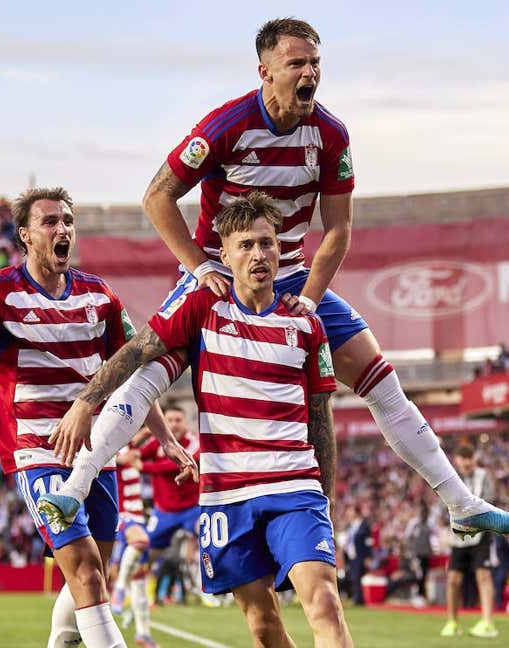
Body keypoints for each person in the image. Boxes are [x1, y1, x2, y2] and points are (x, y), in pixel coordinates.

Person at [42, 16, 509, 541]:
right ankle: (75, 488)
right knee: (149, 371)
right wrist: (200, 266)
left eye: (315, 63)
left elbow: (339, 229)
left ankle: (460, 502)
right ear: (265, 71)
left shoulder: (332, 134)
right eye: (296, 63)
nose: (309, 73)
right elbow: (157, 196)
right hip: (218, 275)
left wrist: (313, 299)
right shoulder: (226, 125)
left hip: (291, 275)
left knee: (382, 381)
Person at [47, 193, 353, 646]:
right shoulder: (203, 307)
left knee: (324, 602)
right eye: (246, 245)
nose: (258, 255)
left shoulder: (307, 325)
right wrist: (84, 403)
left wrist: (323, 499)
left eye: (267, 244)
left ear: (281, 250)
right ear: (224, 254)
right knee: (264, 626)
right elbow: (137, 351)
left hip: (294, 487)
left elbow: (320, 418)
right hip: (228, 496)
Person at [0, 187, 195, 648]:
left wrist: (166, 439)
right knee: (86, 571)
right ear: (26, 236)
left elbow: (129, 370)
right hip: (38, 451)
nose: (62, 229)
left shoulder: (99, 295)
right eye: (50, 222)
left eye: (67, 220)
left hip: (96, 454)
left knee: (93, 579)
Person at [139, 404, 208, 603]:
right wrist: (143, 434)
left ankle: (205, 586)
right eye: (169, 420)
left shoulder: (194, 441)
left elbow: (180, 462)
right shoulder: (156, 442)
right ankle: (142, 592)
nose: (174, 424)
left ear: (186, 422)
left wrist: (143, 466)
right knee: (144, 551)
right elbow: (133, 452)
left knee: (201, 535)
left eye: (178, 420)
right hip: (164, 511)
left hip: (192, 508)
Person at [442, 445, 501, 638]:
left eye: (469, 458)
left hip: (480, 534)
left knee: (483, 576)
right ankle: (452, 622)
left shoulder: (483, 476)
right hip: (458, 536)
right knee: (453, 579)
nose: (467, 462)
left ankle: (487, 622)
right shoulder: (450, 477)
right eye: (463, 458)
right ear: (457, 460)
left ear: (474, 459)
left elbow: (489, 501)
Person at [110, 428, 157, 648]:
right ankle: (119, 588)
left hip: (138, 515)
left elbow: (145, 432)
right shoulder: (110, 445)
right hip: (120, 511)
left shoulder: (131, 444)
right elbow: (94, 461)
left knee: (139, 578)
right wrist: (120, 460)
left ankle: (143, 633)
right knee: (141, 541)